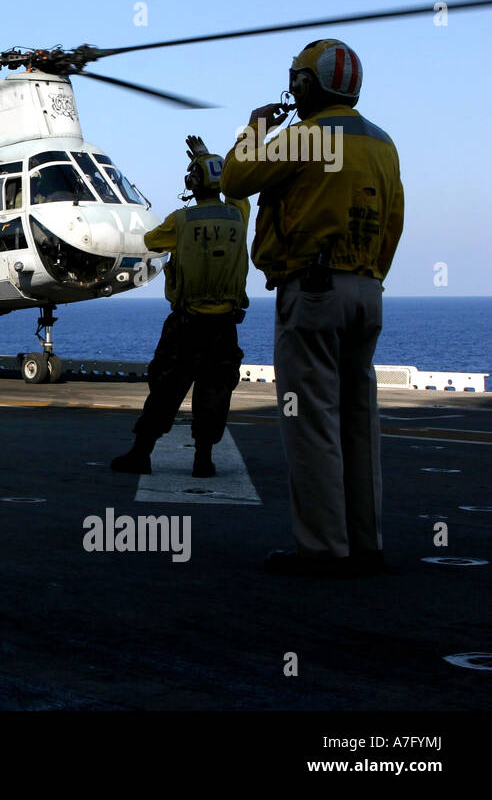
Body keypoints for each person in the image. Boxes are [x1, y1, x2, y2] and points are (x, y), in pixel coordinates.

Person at [219, 39, 404, 577]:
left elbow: (234, 179)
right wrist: (370, 275)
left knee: (312, 420)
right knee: (358, 419)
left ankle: (323, 548)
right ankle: (365, 542)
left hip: (314, 291)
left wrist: (255, 128)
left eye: (296, 79)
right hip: (367, 290)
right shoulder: (383, 144)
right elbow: (394, 221)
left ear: (307, 84)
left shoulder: (302, 139)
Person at [110, 136, 250, 478]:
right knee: (215, 392)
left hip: (188, 324)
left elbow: (151, 240)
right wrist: (208, 158)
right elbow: (238, 191)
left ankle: (141, 453)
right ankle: (203, 459)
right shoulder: (237, 215)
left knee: (165, 389)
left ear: (191, 182)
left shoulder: (182, 221)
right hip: (224, 328)